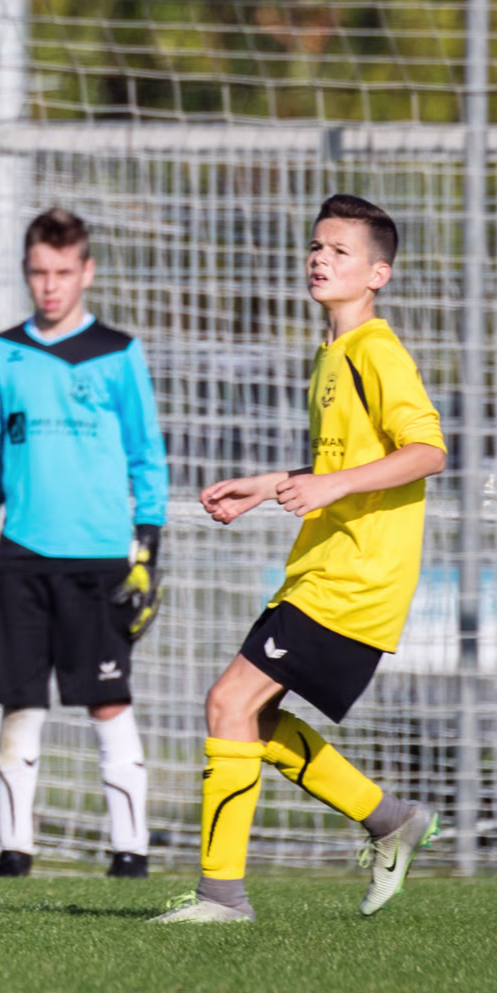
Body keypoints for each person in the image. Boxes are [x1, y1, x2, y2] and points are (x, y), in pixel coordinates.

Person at [155, 194, 444, 924]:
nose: (321, 259)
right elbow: (342, 464)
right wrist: (270, 485)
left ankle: (223, 897)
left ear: (377, 274)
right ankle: (389, 820)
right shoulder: (333, 355)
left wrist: (332, 485)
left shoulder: (376, 351)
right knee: (246, 718)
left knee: (230, 704)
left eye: (340, 251)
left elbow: (427, 451)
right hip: (323, 566)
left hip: (355, 576)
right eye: (317, 246)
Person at [0, 208, 169, 878]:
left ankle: (130, 851)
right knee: (20, 700)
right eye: (38, 273)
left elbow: (147, 456)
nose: (50, 286)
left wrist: (147, 551)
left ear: (87, 272)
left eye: (62, 272)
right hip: (22, 554)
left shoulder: (117, 352)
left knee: (108, 698)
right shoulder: (1, 354)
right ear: (26, 272)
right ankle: (15, 851)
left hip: (101, 557)